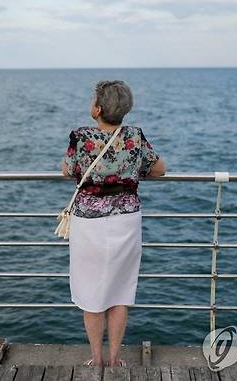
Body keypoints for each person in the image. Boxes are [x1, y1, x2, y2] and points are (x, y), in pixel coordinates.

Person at [60, 80, 167, 367]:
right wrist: (129, 169)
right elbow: (160, 169)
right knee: (120, 291)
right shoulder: (135, 135)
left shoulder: (81, 137)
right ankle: (115, 358)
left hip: (89, 224)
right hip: (126, 221)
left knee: (90, 292)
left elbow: (67, 170)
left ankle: (96, 360)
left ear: (97, 109)